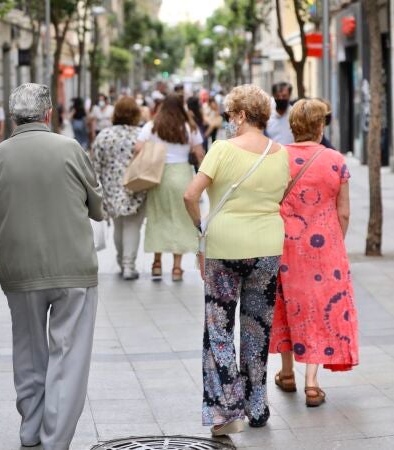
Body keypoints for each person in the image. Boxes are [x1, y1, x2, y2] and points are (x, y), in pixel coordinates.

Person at [0, 83, 103, 450]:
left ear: (13, 117)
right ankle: (55, 437)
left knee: (28, 349)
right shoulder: (70, 149)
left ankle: (30, 430)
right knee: (69, 353)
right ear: (48, 114)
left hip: (19, 270)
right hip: (73, 268)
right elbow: (98, 207)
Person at [183, 84, 289, 436]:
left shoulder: (222, 150)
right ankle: (257, 406)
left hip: (224, 247)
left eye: (230, 115)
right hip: (268, 246)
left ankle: (227, 411)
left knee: (219, 328)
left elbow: (191, 194)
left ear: (242, 115)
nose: (229, 121)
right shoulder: (280, 153)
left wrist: (200, 227)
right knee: (258, 330)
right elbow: (281, 195)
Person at [268, 99, 358, 409]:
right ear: (319, 127)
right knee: (319, 308)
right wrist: (335, 243)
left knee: (286, 304)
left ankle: (287, 372)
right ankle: (312, 383)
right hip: (324, 249)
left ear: (293, 127)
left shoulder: (277, 157)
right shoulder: (335, 160)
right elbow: (343, 212)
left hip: (284, 246)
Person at [136, 94, 205, 282]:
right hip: (182, 174)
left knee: (158, 218)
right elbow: (200, 153)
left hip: (157, 175)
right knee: (180, 220)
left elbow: (137, 148)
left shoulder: (152, 126)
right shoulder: (189, 127)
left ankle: (156, 264)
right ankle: (176, 268)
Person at [92, 96, 146, 280]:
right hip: (136, 187)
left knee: (118, 225)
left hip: (110, 189)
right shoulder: (141, 135)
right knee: (132, 226)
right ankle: (129, 265)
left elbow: (95, 165)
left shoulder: (104, 135)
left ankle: (121, 260)